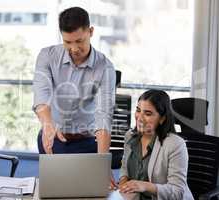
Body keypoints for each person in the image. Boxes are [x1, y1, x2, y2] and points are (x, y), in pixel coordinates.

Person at [32, 6, 116, 155]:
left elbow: (103, 114)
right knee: (52, 179)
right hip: (52, 135)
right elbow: (41, 94)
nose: (74, 48)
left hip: (87, 142)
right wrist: (47, 124)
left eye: (79, 41)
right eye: (68, 42)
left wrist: (103, 161)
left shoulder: (105, 67)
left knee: (91, 178)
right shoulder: (47, 56)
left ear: (90, 32)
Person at [118, 90, 194, 200]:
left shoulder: (175, 144)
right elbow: (125, 166)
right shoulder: (130, 136)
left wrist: (146, 186)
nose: (140, 117)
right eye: (138, 110)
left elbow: (178, 191)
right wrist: (123, 182)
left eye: (148, 114)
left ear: (162, 119)